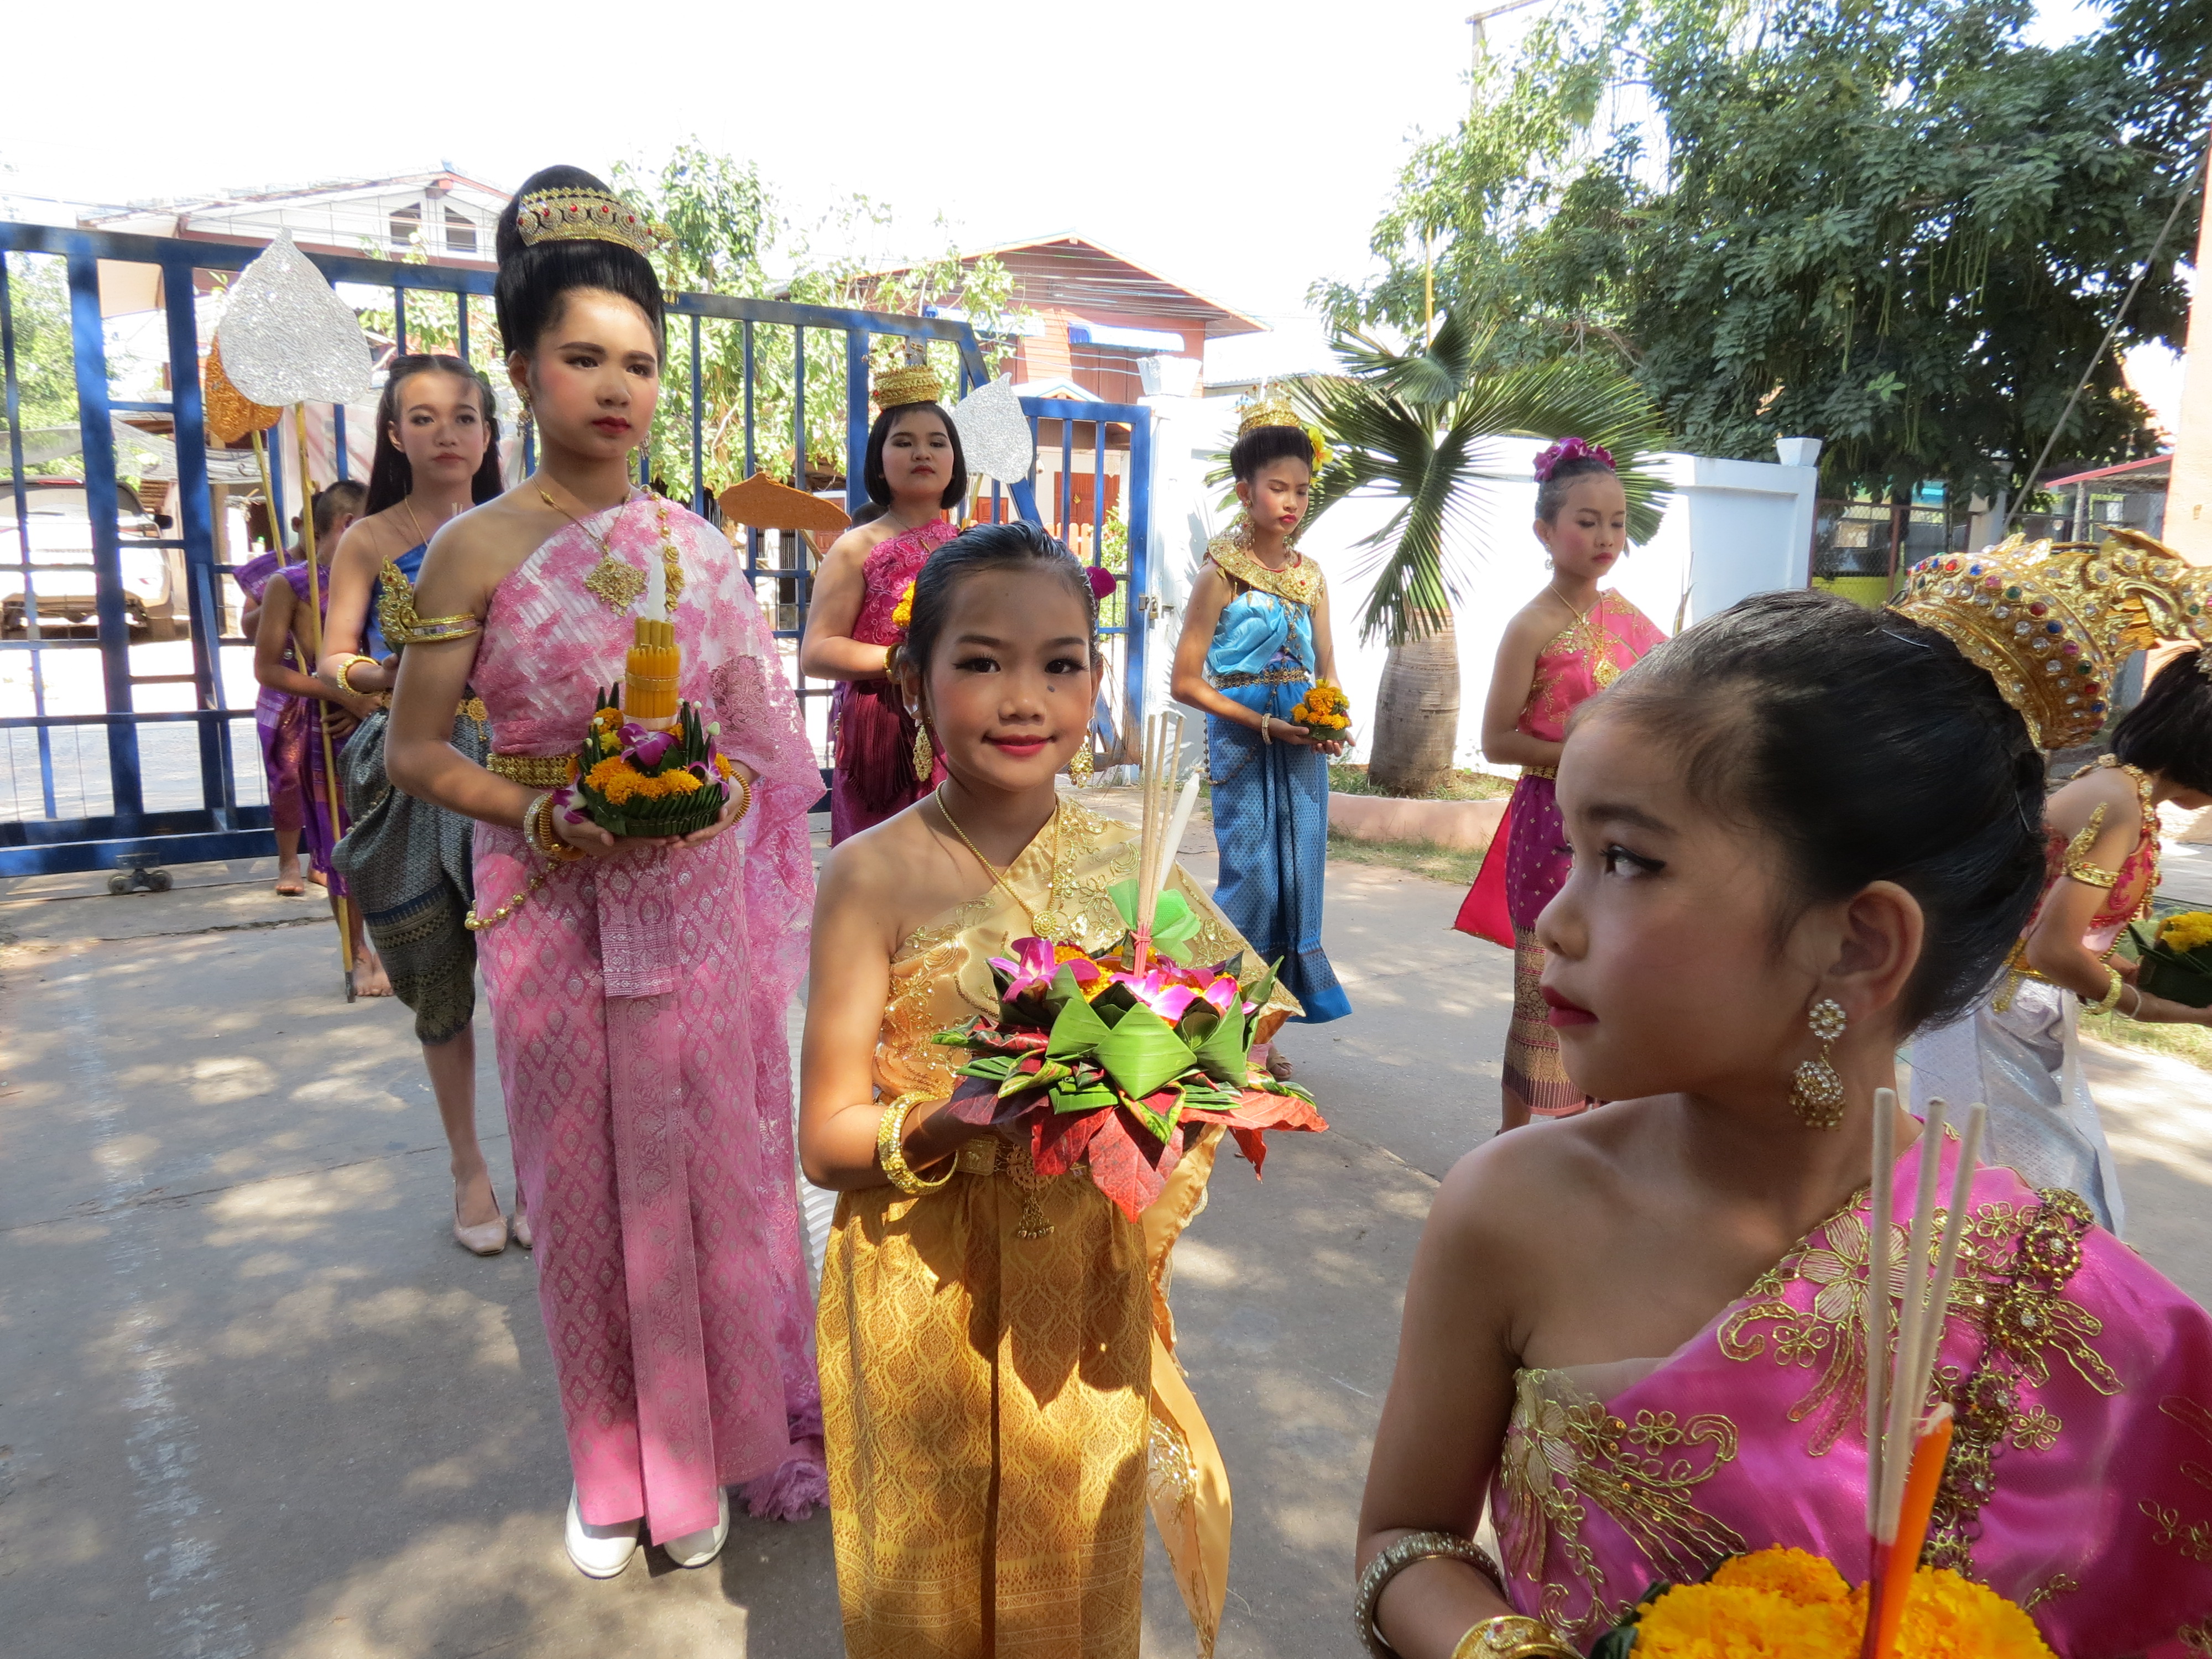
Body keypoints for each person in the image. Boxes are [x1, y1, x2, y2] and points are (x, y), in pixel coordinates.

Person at [1353, 586, 2212, 1656]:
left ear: (1858, 943)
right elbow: (1405, 1538)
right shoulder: (1511, 1208)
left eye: (1627, 860)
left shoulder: (2067, 1303)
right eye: (1573, 853)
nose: (1555, 920)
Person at [383, 164, 826, 1578]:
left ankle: (704, 1458)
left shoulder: (696, 548)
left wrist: (709, 793)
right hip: (547, 913)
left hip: (695, 914)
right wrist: (543, 814)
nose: (615, 387)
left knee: (707, 1188)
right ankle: (611, 1467)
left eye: (638, 362)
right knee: (581, 1197)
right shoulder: (467, 549)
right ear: (522, 368)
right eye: (582, 357)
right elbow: (413, 750)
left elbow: (756, 746)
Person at [803, 520, 1294, 1658]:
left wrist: (1183, 1086)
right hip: (923, 1279)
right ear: (913, 681)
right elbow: (824, 1141)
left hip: (1081, 1278)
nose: (1024, 699)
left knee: (1070, 1574)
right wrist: (965, 1112)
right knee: (925, 1591)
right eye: (981, 661)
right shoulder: (868, 875)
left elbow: (1236, 1043)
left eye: (1060, 663)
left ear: (1095, 680)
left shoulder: (1136, 867)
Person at [1907, 546, 2212, 1235]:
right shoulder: (2119, 802)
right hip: (1995, 1008)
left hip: (2012, 1008)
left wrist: (2135, 971)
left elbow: (2053, 931)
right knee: (2044, 1209)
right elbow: (2048, 949)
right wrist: (2158, 1010)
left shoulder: (2118, 789)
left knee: (2044, 1201)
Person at [317, 353, 513, 1254]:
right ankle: (469, 1166)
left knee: (534, 976)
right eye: (424, 418)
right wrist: (384, 677)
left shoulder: (527, 527)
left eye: (465, 417)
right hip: (415, 764)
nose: (447, 434)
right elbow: (333, 658)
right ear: (395, 434)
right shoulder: (369, 537)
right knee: (439, 977)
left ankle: (544, 1166)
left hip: (518, 765)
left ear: (489, 432)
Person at [1453, 437, 1666, 1128]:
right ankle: (1512, 1143)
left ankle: (1596, 1136)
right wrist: (1584, 749)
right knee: (1545, 990)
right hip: (1552, 824)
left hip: (1627, 828)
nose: (1605, 537)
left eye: (1617, 522)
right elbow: (1496, 740)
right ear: (1544, 532)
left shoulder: (1634, 621)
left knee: (1616, 982)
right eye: (1586, 521)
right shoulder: (1530, 627)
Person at [1169, 394, 1351, 1048]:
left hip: (1303, 741)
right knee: (1252, 879)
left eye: (1302, 489)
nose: (1292, 502)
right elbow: (1185, 681)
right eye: (1278, 487)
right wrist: (1263, 724)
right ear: (1245, 492)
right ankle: (1222, 1026)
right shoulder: (1220, 574)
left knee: (1299, 880)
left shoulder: (1313, 578)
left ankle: (1266, 1031)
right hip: (1245, 739)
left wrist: (1333, 718)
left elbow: (1327, 665)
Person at [799, 361, 966, 843]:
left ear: (954, 461)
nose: (923, 452)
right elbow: (817, 652)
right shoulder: (855, 547)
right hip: (885, 732)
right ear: (878, 461)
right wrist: (903, 660)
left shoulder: (970, 546)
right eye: (904, 442)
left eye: (938, 442)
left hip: (960, 720)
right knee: (885, 861)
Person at [239, 482, 366, 898]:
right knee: (292, 781)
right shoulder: (289, 579)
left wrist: (370, 702)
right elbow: (263, 658)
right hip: (302, 700)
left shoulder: (379, 579)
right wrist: (339, 694)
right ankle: (292, 860)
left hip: (367, 711)